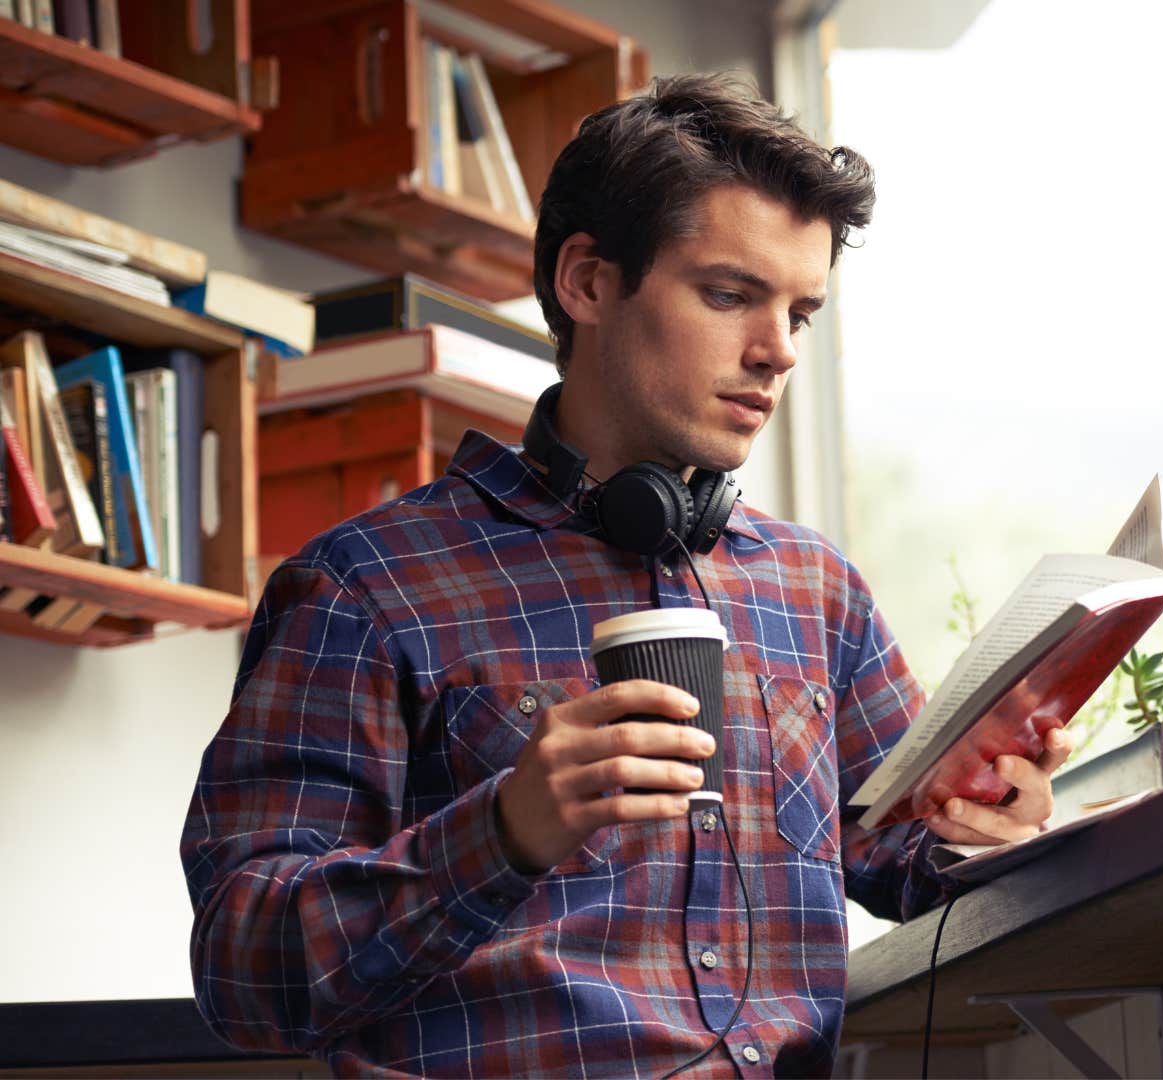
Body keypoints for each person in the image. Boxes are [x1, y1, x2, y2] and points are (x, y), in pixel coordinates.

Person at [180, 73, 1072, 1077]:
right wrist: (506, 830)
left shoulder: (817, 590)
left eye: (800, 311)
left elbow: (908, 861)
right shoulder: (367, 587)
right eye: (732, 294)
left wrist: (987, 821)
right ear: (589, 282)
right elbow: (242, 971)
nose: (776, 351)